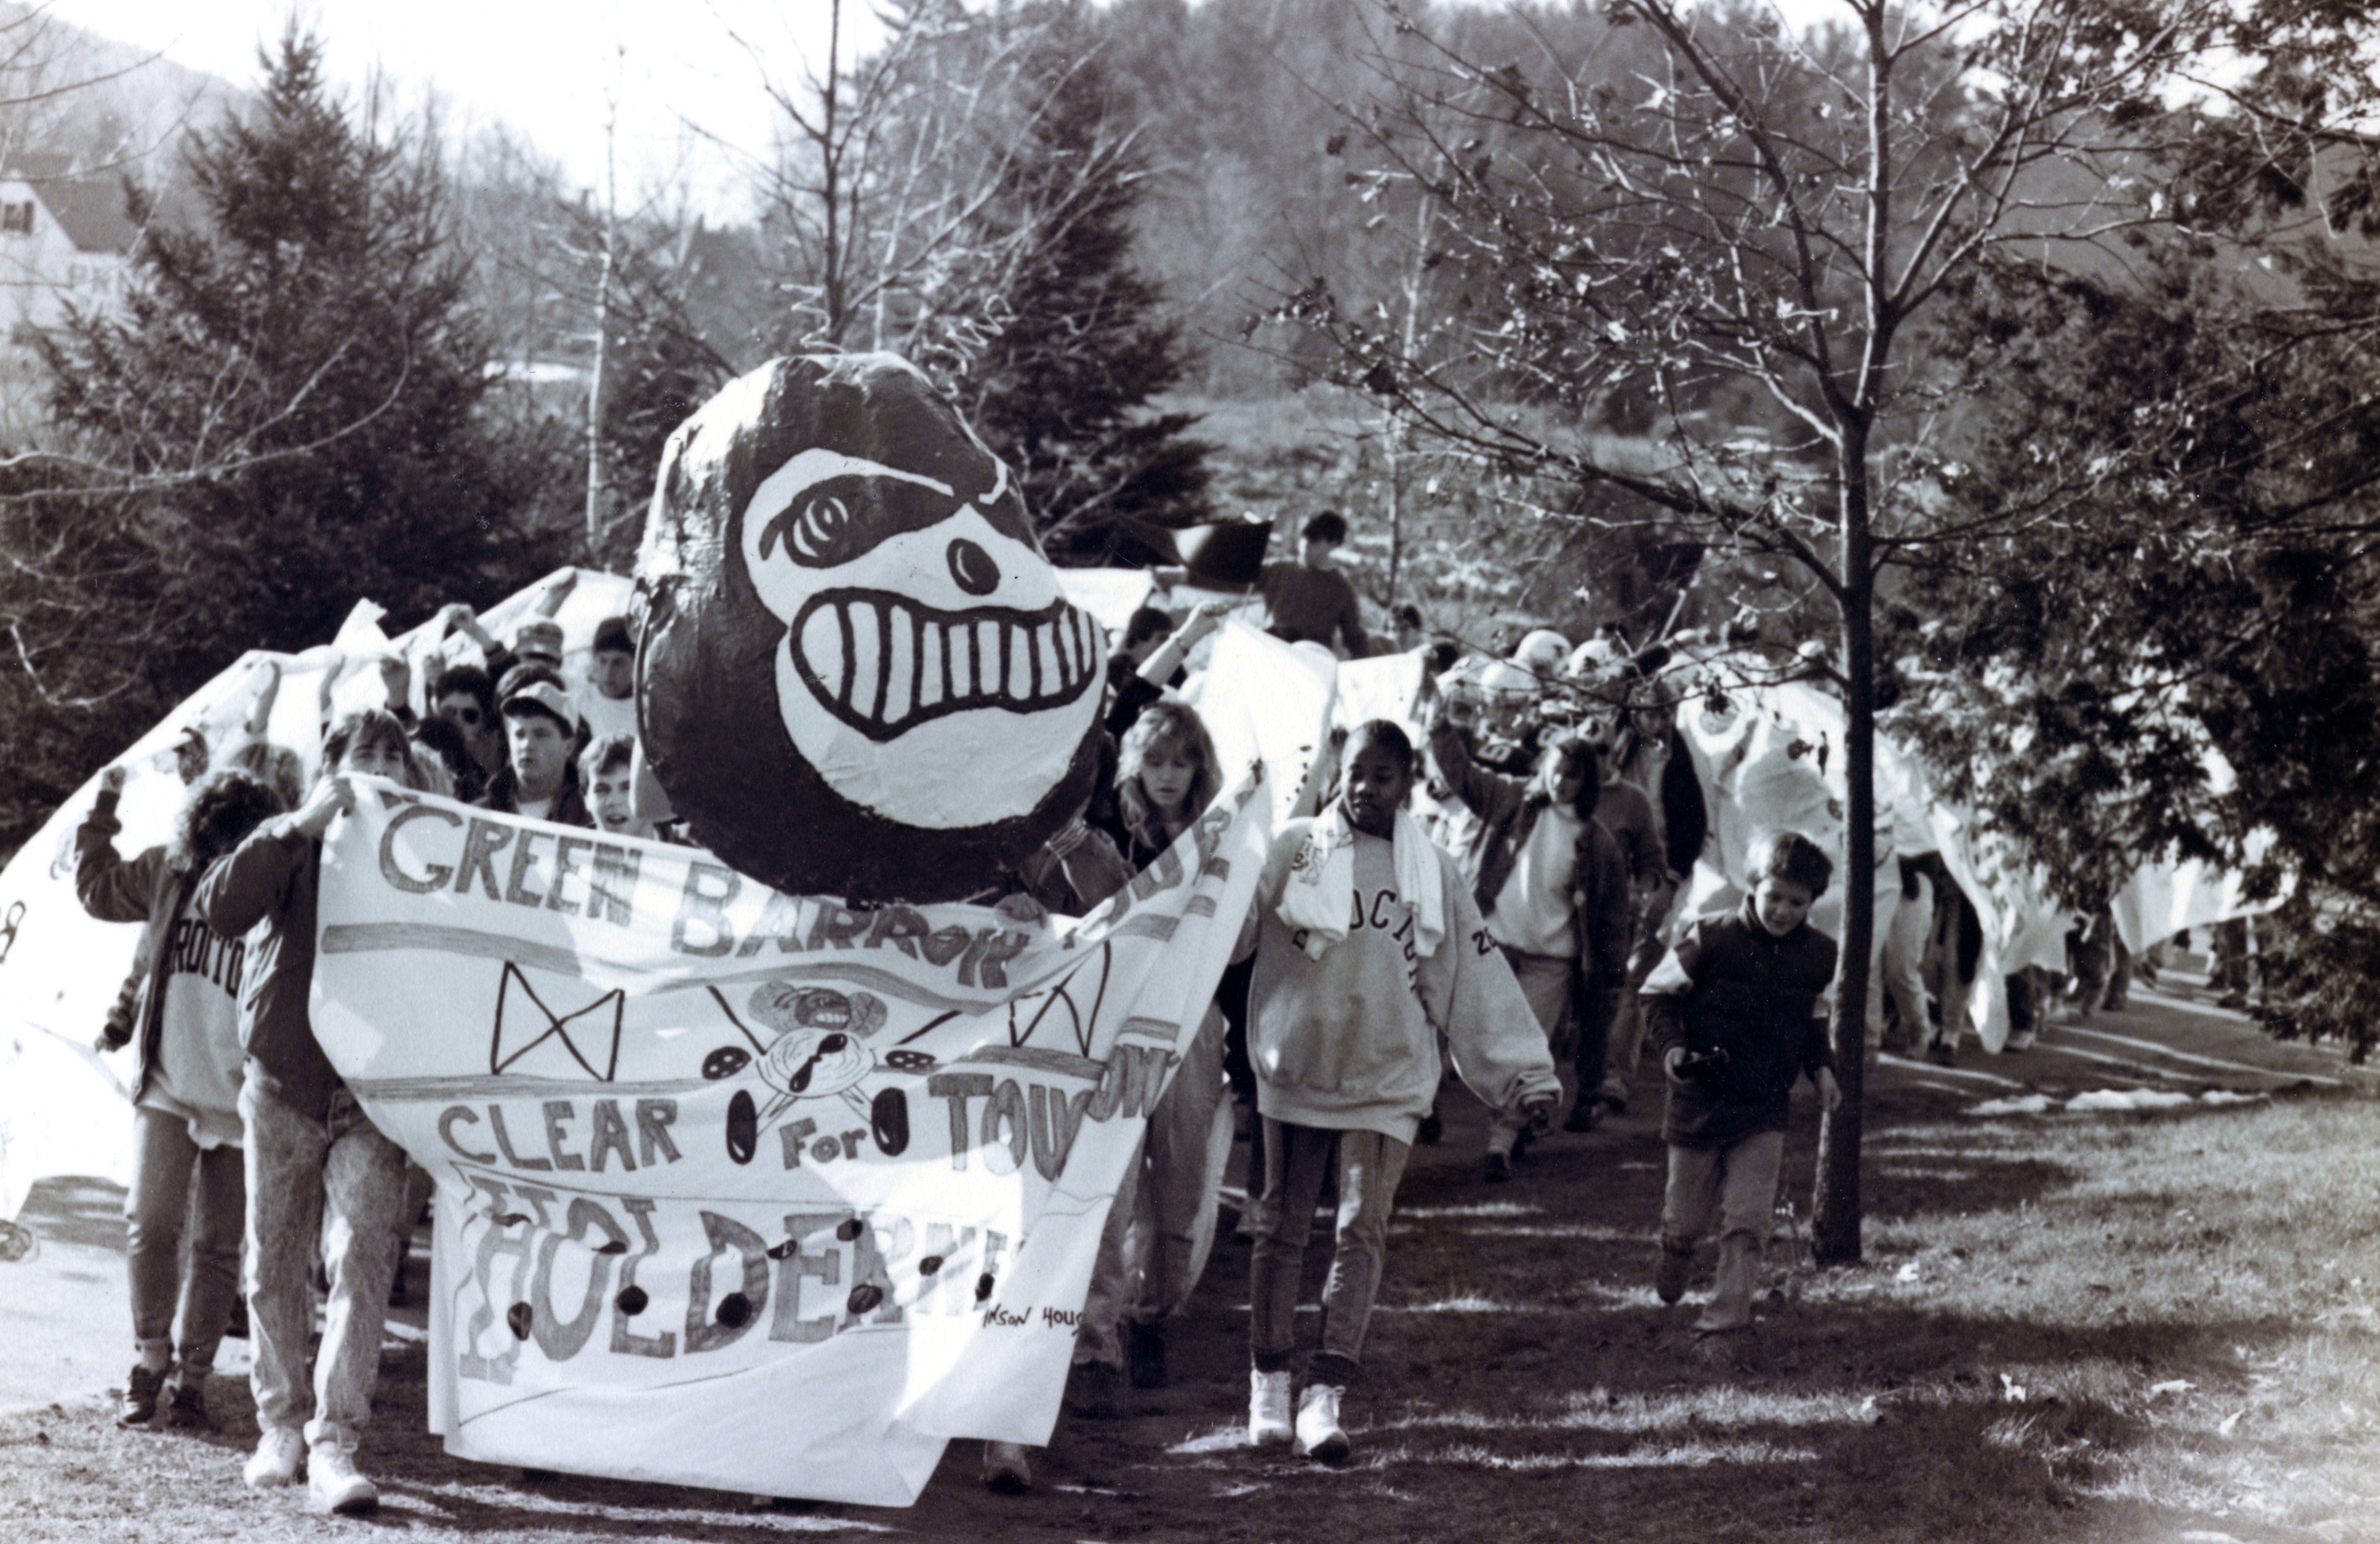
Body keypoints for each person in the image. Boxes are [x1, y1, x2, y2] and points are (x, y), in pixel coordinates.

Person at [1239, 721, 1558, 1461]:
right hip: (1296, 1071)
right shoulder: (1293, 850)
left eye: (1382, 777)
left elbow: (1472, 976)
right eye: (1354, 772)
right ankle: (1269, 1383)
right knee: (1280, 1227)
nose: (1363, 789)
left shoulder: (1432, 872)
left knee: (1361, 1229)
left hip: (1387, 1078)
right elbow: (1228, 931)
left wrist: (1524, 1076)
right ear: (1336, 772)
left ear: (1406, 784)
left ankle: (1325, 1395)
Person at [196, 709, 424, 1513]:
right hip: (284, 1085)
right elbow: (220, 905)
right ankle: (280, 1427)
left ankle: (335, 1441)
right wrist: (296, 825)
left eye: (395, 755)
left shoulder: (434, 856)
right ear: (330, 769)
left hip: (370, 1096)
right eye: (364, 754)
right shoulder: (296, 843)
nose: (381, 767)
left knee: (362, 1255)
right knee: (272, 1259)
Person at [77, 764, 284, 1431]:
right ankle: (149, 1358)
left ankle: (194, 1378)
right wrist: (105, 802)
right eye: (216, 845)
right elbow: (97, 889)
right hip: (168, 1081)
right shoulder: (171, 872)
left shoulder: (280, 891)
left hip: (241, 1096)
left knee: (221, 1245)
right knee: (150, 1219)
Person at [1641, 831, 1842, 1335]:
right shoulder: (1707, 935)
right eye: (1773, 896)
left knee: (1748, 1220)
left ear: (1812, 902)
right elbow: (1656, 995)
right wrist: (1671, 1050)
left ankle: (1726, 1317)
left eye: (1796, 902)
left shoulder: (1819, 955)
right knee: (1686, 1217)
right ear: (1753, 884)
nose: (1781, 911)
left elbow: (1813, 1021)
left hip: (1763, 1105)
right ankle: (1675, 1247)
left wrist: (1822, 1070)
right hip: (1699, 1099)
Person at [1427, 697, 1629, 1174]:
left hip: (1548, 963)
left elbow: (1611, 918)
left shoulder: (1595, 841)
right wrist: (1438, 726)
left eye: (1572, 775)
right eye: (1556, 770)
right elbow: (1463, 775)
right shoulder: (1512, 800)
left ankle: (1501, 1142)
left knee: (1526, 1052)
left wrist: (1611, 973)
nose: (1561, 781)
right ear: (1543, 768)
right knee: (1452, 1030)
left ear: (1587, 782)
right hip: (1489, 948)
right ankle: (1423, 1106)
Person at [1254, 511, 1374, 656]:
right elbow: (1231, 582)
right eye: (1304, 537)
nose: (1306, 544)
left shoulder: (1341, 588)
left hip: (1311, 661)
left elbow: (1355, 639)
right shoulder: (1278, 570)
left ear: (1334, 544)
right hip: (1272, 652)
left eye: (1314, 540)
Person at [478, 676, 594, 826]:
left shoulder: (590, 820)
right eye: (519, 735)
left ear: (568, 747)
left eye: (541, 735)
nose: (527, 745)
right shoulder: (478, 815)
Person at [428, 663, 502, 800]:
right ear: (437, 711)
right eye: (450, 713)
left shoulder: (497, 770)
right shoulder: (423, 759)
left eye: (470, 716)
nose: (458, 722)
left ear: (484, 721)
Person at [580, 615, 638, 746]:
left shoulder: (646, 706)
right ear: (594, 659)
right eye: (603, 661)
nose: (608, 673)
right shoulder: (582, 701)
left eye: (618, 663)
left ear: (634, 664)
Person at [581, 735, 653, 840]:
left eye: (628, 788)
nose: (614, 801)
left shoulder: (684, 853)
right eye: (601, 790)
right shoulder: (562, 854)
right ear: (586, 799)